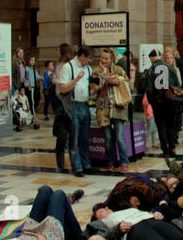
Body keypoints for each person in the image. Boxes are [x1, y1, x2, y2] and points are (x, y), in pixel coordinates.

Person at [55, 43, 93, 177]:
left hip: (85, 104)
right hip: (73, 105)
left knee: (84, 136)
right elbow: (63, 88)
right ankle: (77, 166)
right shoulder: (68, 67)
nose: (89, 61)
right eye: (88, 58)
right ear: (82, 56)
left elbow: (90, 87)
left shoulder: (88, 68)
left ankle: (85, 163)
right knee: (74, 137)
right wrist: (76, 79)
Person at [91, 49, 130, 174]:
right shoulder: (96, 72)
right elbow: (93, 89)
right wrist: (105, 77)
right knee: (108, 138)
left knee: (119, 137)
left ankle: (124, 162)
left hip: (118, 106)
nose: (103, 61)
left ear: (111, 59)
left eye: (106, 59)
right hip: (103, 108)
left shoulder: (118, 70)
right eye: (102, 58)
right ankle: (111, 162)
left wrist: (111, 80)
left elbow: (125, 82)